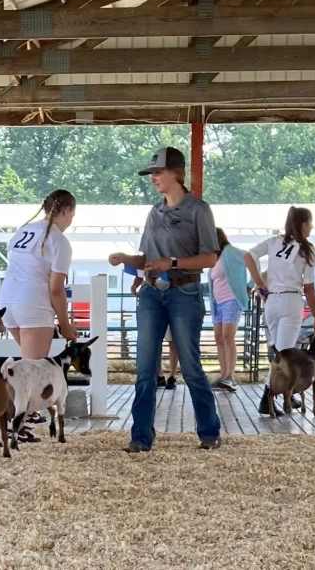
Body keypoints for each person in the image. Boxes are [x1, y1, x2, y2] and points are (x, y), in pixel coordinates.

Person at [108, 146, 222, 452]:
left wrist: (171, 263)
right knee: (145, 366)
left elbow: (210, 257)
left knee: (190, 365)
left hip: (185, 291)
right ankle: (140, 436)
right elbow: (147, 256)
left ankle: (209, 431)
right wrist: (127, 260)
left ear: (176, 173)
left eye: (157, 172)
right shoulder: (153, 212)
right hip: (151, 292)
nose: (153, 178)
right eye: (152, 173)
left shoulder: (199, 209)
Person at [244, 206, 315, 417]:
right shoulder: (307, 249)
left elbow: (248, 256)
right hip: (291, 300)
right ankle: (268, 397)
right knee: (285, 354)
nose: (312, 228)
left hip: (272, 300)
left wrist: (260, 283)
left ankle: (284, 392)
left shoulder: (274, 241)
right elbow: (309, 287)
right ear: (304, 224)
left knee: (278, 350)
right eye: (310, 223)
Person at [0, 190, 78, 359]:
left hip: (7, 301)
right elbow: (56, 289)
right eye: (73, 214)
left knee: (26, 369)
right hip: (32, 304)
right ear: (67, 210)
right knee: (34, 373)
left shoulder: (24, 230)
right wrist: (65, 325)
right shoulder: (59, 241)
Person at [208, 228, 249, 392]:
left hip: (232, 300)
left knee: (227, 336)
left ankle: (230, 376)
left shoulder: (232, 252)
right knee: (219, 337)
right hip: (217, 302)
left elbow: (251, 259)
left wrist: (251, 285)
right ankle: (223, 374)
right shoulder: (214, 258)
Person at [131, 269, 179, 388]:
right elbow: (141, 269)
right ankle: (159, 375)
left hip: (173, 293)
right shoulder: (149, 253)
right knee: (154, 341)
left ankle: (172, 375)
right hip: (152, 291)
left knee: (172, 341)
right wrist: (135, 284)